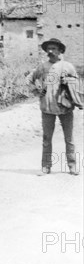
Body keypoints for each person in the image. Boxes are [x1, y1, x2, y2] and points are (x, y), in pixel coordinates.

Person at [27, 38, 79, 176]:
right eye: (48, 49)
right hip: (47, 108)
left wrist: (68, 81)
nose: (50, 51)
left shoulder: (68, 66)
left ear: (60, 50)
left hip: (65, 107)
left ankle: (72, 166)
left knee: (69, 139)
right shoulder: (42, 67)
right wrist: (37, 92)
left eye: (54, 48)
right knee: (46, 139)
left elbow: (77, 84)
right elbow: (29, 80)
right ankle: (46, 167)